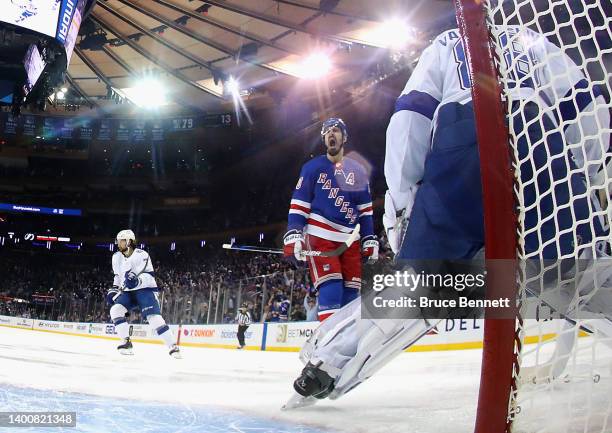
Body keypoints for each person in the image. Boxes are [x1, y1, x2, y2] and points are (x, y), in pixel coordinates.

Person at [283, 26, 610, 409]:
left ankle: (328, 364)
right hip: (542, 146)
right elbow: (585, 104)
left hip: (463, 136)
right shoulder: (533, 39)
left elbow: (410, 116)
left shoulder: (449, 40)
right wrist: (591, 178)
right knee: (581, 276)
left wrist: (403, 204)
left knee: (421, 282)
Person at [283, 117, 379, 322]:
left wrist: (369, 238)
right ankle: (328, 345)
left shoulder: (358, 170)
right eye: (327, 132)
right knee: (331, 287)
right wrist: (294, 234)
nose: (331, 134)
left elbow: (366, 211)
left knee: (351, 296)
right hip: (320, 234)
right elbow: (299, 204)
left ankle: (347, 345)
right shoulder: (311, 168)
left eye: (335, 130)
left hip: (350, 238)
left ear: (344, 137)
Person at [107, 229, 181, 358]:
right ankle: (126, 343)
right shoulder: (116, 257)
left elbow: (148, 275)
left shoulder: (142, 254)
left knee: (154, 318)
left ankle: (173, 346)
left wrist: (136, 281)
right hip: (128, 292)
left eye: (122, 241)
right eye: (118, 241)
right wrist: (114, 289)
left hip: (145, 289)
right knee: (115, 310)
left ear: (129, 241)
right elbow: (118, 277)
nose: (119, 244)